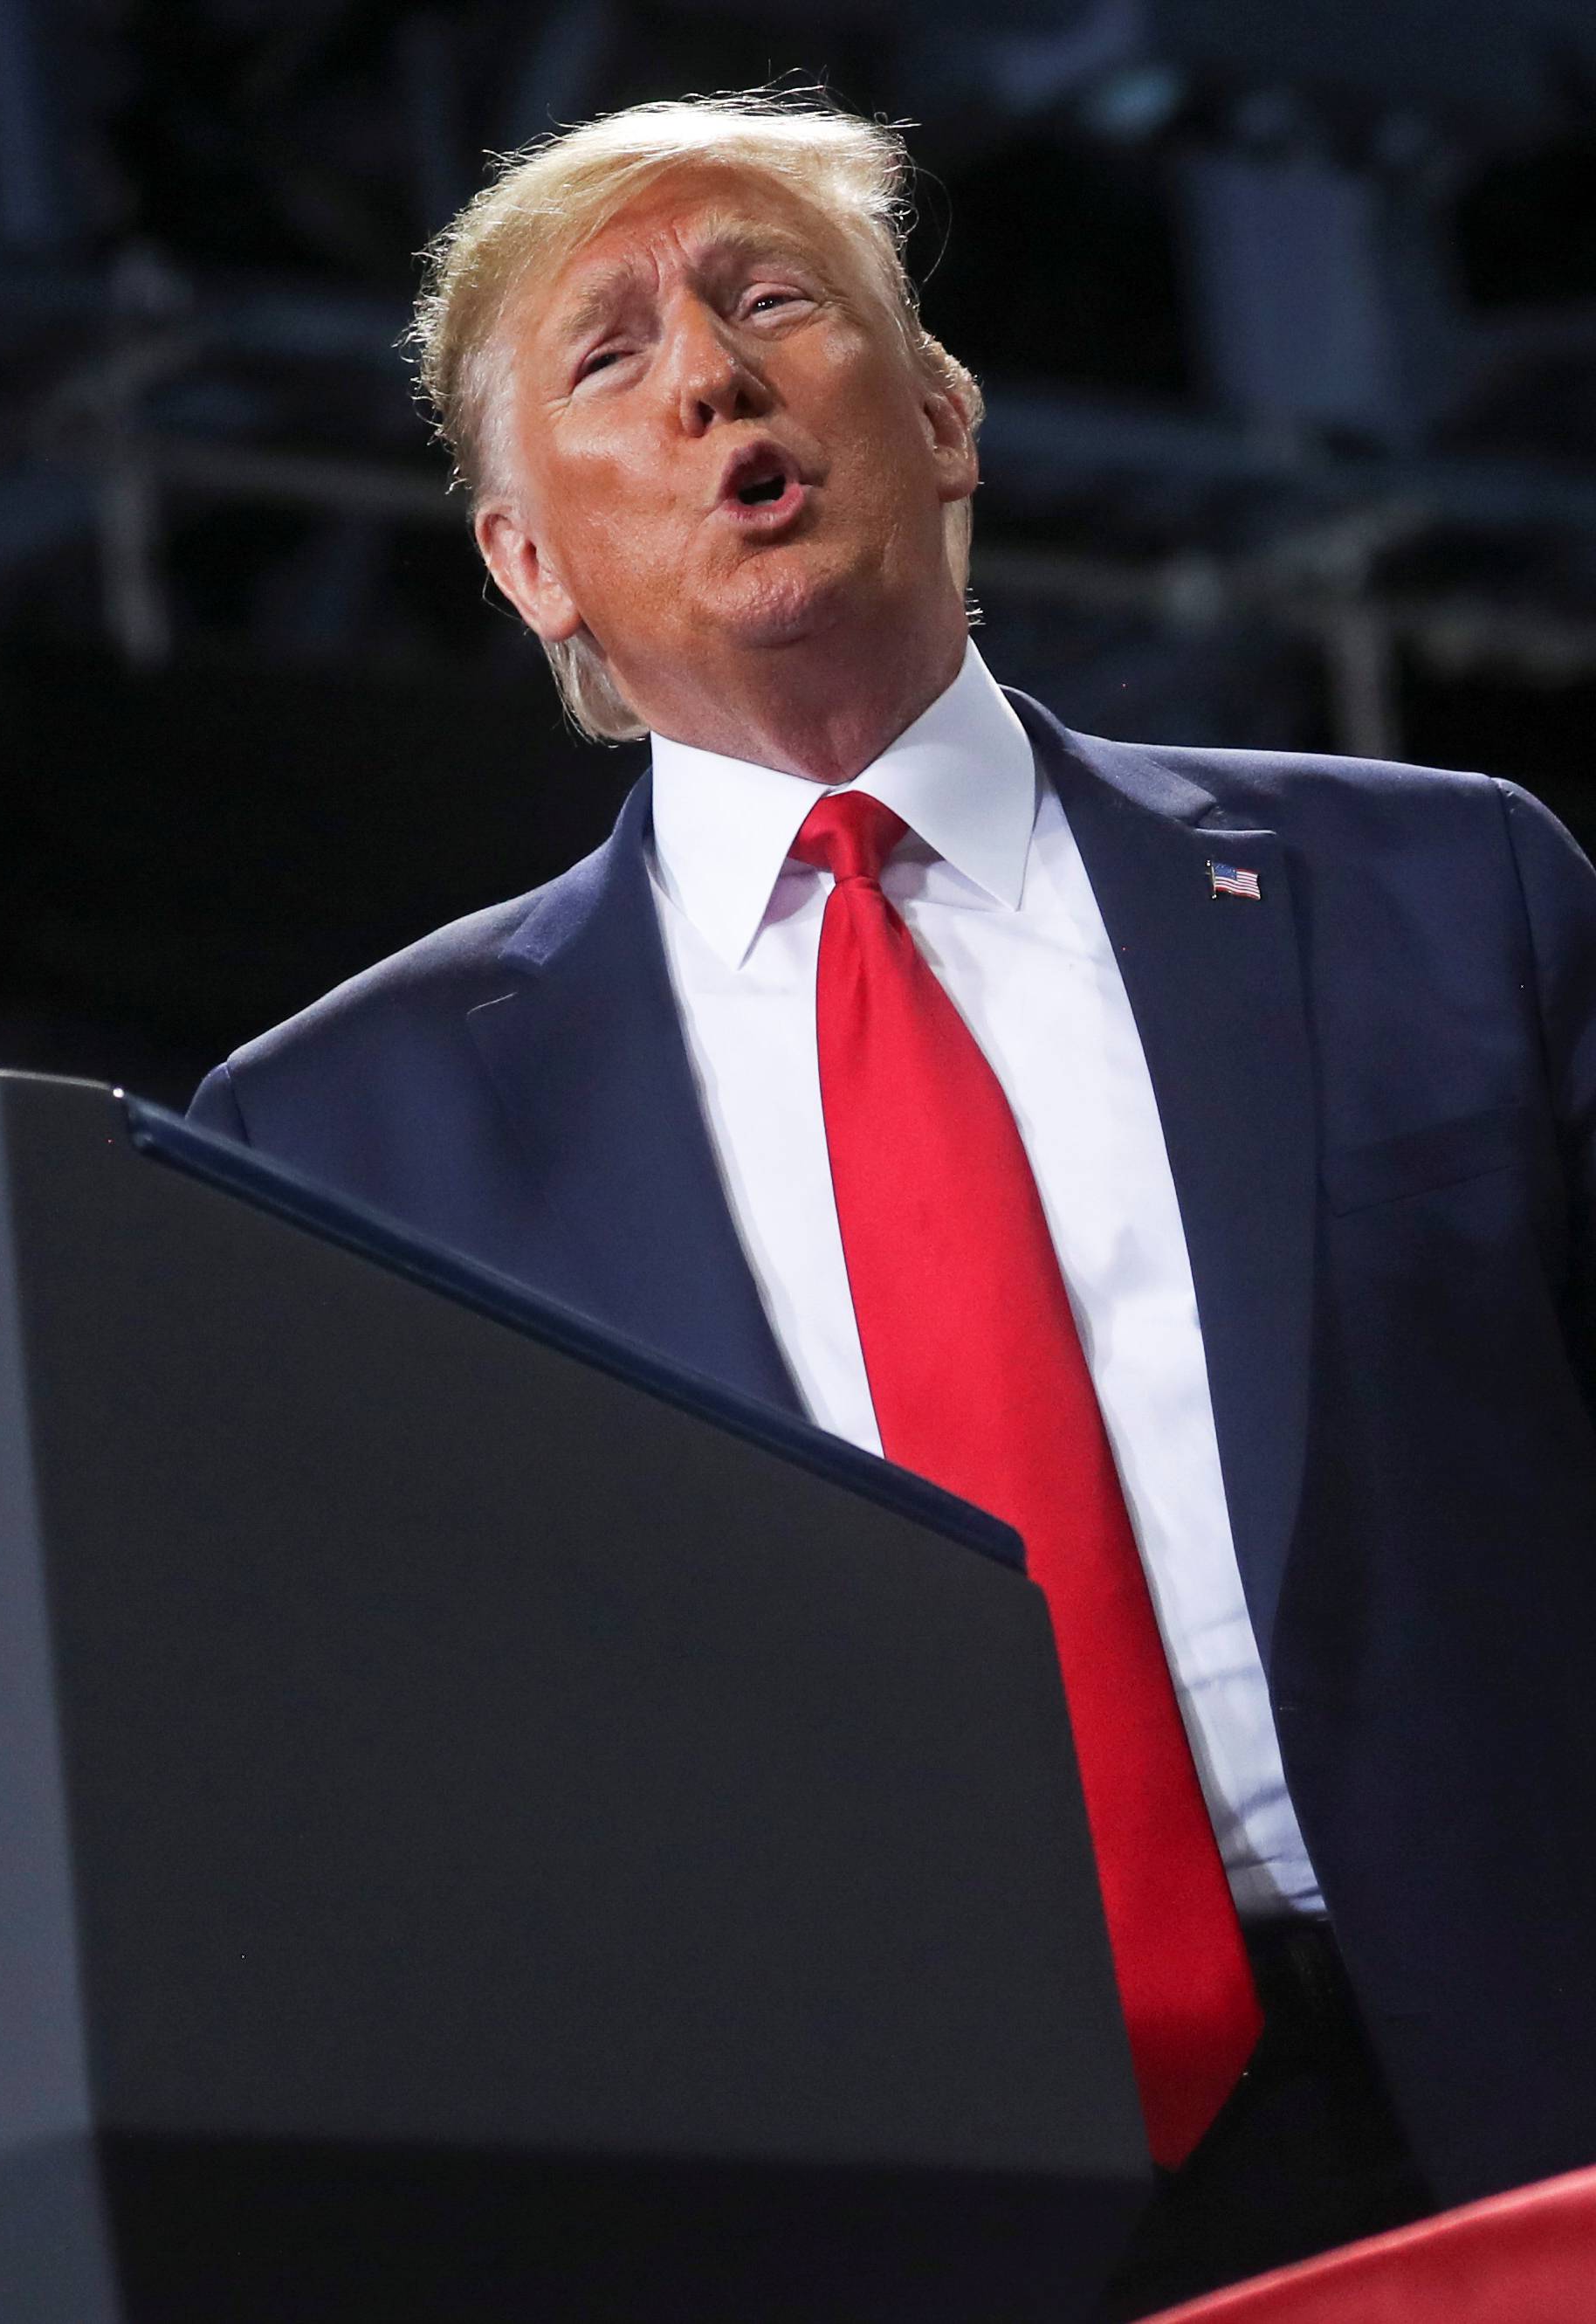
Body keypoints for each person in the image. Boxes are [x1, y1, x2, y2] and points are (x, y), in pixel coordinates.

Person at [189, 93, 1596, 2315]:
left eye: (770, 303)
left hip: (1528, 2110)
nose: (714, 381)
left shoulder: (1442, 885)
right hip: (879, 2211)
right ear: (525, 559)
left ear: (939, 416)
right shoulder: (346, 1137)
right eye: (609, 360)